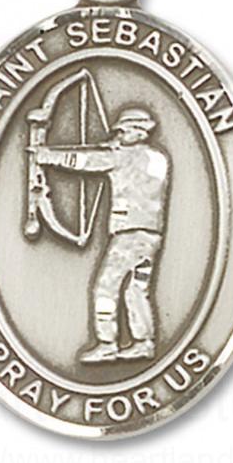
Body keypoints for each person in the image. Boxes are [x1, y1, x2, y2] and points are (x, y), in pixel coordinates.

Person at [36, 108, 170, 362]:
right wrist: (116, 149)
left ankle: (107, 343)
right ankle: (144, 342)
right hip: (151, 234)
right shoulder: (159, 158)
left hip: (129, 233)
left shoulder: (124, 156)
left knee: (106, 287)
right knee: (136, 289)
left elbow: (88, 162)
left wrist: (47, 156)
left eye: (123, 131)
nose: (118, 135)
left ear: (137, 132)